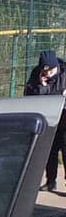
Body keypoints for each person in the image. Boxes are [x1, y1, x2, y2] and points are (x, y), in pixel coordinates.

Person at [25, 49, 66, 191]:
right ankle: (51, 181)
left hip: (64, 119)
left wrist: (50, 91)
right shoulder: (37, 75)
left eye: (50, 70)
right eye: (44, 70)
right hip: (48, 118)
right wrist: (42, 86)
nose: (48, 74)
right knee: (50, 150)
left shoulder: (64, 74)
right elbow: (30, 96)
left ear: (56, 67)